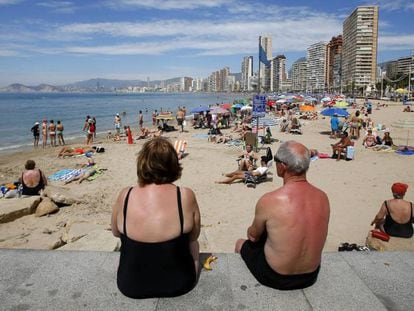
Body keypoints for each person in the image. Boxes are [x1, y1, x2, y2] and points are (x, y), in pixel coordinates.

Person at [111, 137, 201, 298]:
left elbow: (116, 233)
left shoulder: (126, 194)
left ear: (142, 163)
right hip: (180, 284)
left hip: (130, 285)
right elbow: (194, 236)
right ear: (173, 164)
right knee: (193, 243)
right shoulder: (185, 195)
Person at [235, 141, 330, 290]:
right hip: (311, 275)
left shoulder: (270, 200)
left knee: (241, 244)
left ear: (282, 166)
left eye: (276, 161)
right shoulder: (323, 197)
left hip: (276, 276)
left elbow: (253, 237)